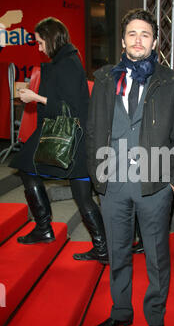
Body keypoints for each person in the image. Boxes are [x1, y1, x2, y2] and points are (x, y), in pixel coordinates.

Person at [85, 8, 174, 326]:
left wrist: (173, 184)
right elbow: (92, 129)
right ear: (122, 40)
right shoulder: (103, 79)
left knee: (157, 256)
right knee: (118, 252)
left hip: (154, 186)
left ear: (155, 43)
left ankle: (155, 318)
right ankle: (120, 311)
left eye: (145, 34)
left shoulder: (172, 81)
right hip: (112, 183)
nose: (138, 40)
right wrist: (95, 173)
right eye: (132, 33)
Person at [10, 17, 108, 264]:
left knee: (79, 193)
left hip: (71, 138)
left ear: (51, 39)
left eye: (41, 42)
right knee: (33, 171)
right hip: (72, 137)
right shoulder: (67, 60)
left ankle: (48, 229)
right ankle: (99, 246)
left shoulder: (67, 63)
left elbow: (72, 108)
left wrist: (36, 98)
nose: (39, 47)